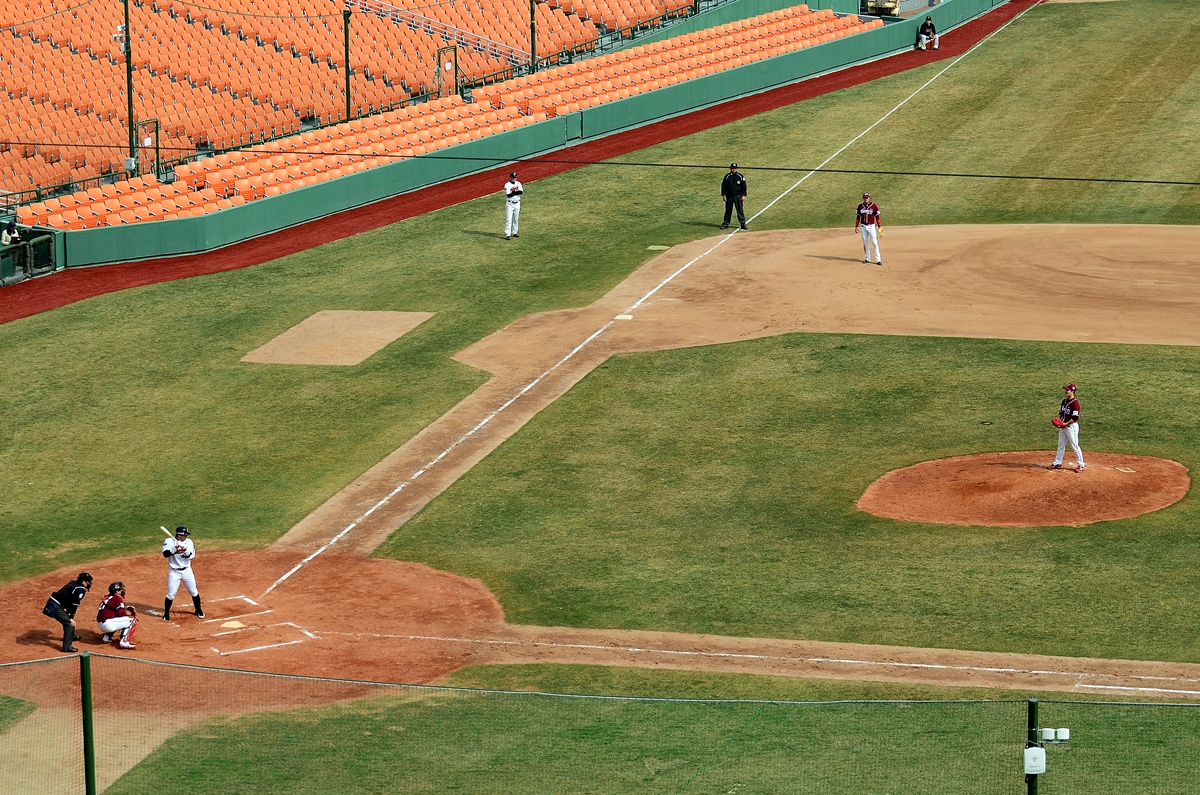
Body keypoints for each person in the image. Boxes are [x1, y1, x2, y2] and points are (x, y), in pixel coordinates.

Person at [42, 572, 93, 653]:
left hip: (55, 603)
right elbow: (74, 604)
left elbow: (68, 600)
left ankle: (71, 636)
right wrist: (71, 617)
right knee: (69, 624)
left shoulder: (73, 583)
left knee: (68, 620)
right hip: (54, 607)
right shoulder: (80, 589)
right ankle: (66, 647)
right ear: (83, 581)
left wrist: (69, 615)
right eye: (88, 581)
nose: (89, 583)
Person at [162, 526, 204, 620]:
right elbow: (165, 554)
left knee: (194, 591)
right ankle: (166, 614)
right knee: (171, 594)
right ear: (179, 535)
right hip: (175, 572)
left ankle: (198, 610)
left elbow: (191, 555)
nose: (186, 537)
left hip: (187, 571)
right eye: (185, 535)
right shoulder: (169, 541)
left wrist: (185, 553)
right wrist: (175, 550)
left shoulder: (189, 542)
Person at [1049, 383, 1086, 472]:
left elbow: (1075, 418)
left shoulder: (1075, 403)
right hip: (1063, 426)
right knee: (1061, 445)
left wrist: (1065, 424)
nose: (1066, 391)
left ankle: (1080, 464)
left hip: (1071, 427)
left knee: (1075, 446)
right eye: (1065, 389)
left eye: (1067, 390)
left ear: (1072, 391)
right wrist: (1060, 421)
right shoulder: (1064, 401)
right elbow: (1061, 413)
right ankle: (1058, 462)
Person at [97, 581, 139, 650]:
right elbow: (120, 613)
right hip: (108, 625)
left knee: (116, 618)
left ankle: (106, 637)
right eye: (121, 589)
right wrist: (129, 615)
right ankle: (124, 642)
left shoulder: (106, 597)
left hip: (100, 624)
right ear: (117, 591)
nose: (122, 591)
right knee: (133, 619)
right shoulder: (117, 598)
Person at [855, 192, 882, 265]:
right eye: (864, 197)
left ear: (869, 198)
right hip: (863, 226)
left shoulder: (874, 206)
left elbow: (877, 216)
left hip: (871, 226)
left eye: (867, 197)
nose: (866, 199)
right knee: (865, 243)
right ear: (863, 198)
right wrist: (856, 226)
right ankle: (867, 258)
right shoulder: (860, 206)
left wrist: (879, 226)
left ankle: (878, 260)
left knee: (875, 243)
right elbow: (858, 217)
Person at [720, 163, 748, 230]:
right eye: (732, 168)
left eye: (735, 168)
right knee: (728, 210)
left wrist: (743, 195)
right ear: (730, 169)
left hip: (738, 196)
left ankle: (743, 224)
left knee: (740, 210)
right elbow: (723, 186)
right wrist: (724, 195)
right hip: (729, 196)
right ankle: (726, 223)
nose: (734, 169)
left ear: (737, 169)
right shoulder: (727, 177)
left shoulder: (740, 177)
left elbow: (744, 187)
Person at [503, 171, 522, 240]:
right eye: (513, 177)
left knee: (516, 219)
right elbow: (508, 195)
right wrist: (515, 192)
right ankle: (508, 234)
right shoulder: (507, 185)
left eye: (515, 177)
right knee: (509, 219)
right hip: (510, 204)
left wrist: (513, 192)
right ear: (510, 177)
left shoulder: (518, 183)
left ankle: (514, 232)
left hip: (517, 203)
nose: (514, 179)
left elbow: (521, 192)